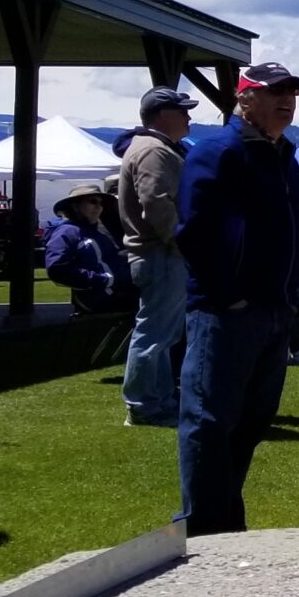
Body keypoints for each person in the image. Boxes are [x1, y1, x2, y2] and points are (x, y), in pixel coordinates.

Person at [174, 61, 299, 535]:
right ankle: (201, 530)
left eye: (292, 93)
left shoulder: (283, 155)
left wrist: (290, 294)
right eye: (275, 92)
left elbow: (290, 230)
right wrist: (226, 296)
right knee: (210, 422)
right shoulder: (220, 151)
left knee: (252, 421)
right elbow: (195, 232)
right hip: (227, 312)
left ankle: (225, 524)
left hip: (275, 309)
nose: (286, 100)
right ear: (244, 97)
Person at [113, 85, 198, 425]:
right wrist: (184, 246)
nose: (189, 116)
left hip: (159, 254)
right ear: (162, 115)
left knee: (162, 334)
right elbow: (157, 204)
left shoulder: (154, 147)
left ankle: (158, 401)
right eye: (182, 110)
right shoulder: (153, 150)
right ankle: (144, 405)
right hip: (161, 254)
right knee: (155, 334)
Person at [44, 182, 137, 315]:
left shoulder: (99, 233)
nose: (98, 207)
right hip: (99, 299)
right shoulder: (67, 231)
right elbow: (57, 269)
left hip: (118, 293)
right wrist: (103, 279)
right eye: (93, 201)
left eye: (101, 203)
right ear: (75, 206)